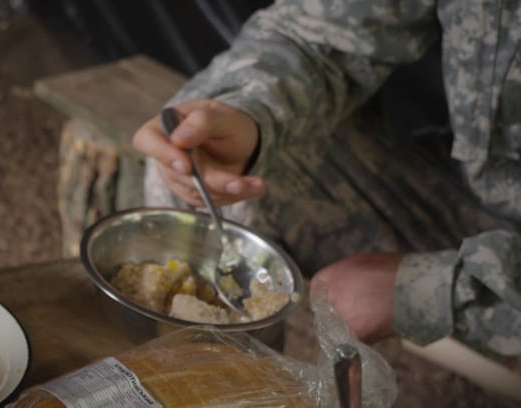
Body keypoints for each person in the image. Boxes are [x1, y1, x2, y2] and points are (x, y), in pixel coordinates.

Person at [131, 0, 521, 369]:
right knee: (204, 180)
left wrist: (434, 288)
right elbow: (318, 32)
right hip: (472, 202)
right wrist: (247, 111)